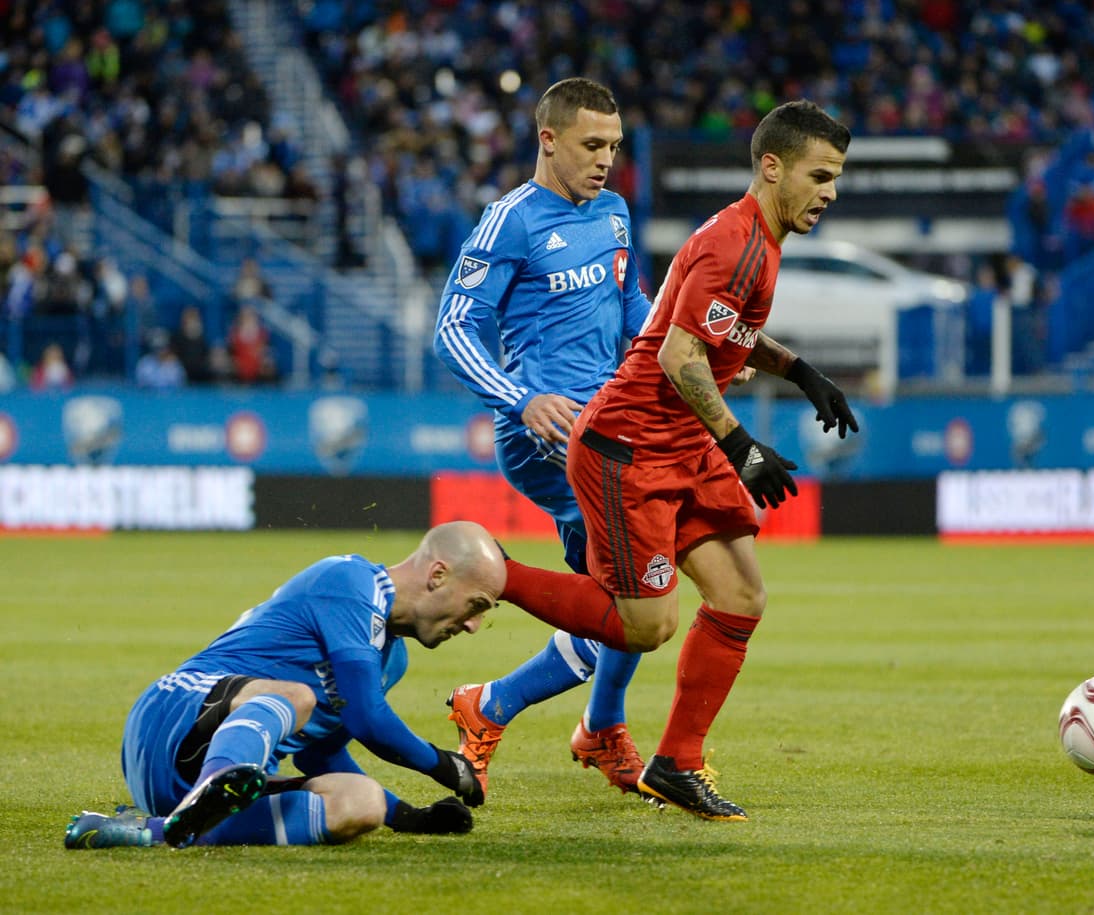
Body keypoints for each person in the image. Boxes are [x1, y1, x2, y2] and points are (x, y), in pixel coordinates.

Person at [498, 101, 857, 820]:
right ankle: (493, 573)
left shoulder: (757, 236)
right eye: (820, 175)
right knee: (645, 625)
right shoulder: (737, 244)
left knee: (741, 595)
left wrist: (799, 370)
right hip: (628, 449)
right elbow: (677, 353)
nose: (830, 192)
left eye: (837, 178)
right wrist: (740, 444)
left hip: (681, 445)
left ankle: (676, 763)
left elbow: (714, 328)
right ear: (772, 166)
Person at [432, 78, 652, 800]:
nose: (605, 161)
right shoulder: (511, 222)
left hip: (610, 423)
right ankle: (563, 718)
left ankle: (553, 717)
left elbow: (629, 310)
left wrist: (681, 351)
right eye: (592, 145)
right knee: (641, 584)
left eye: (614, 147)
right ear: (548, 140)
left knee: (631, 596)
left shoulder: (615, 213)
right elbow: (453, 329)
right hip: (549, 435)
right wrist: (520, 398)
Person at [64, 521, 506, 849]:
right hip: (177, 712)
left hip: (227, 768)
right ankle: (218, 784)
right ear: (438, 575)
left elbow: (320, 751)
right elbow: (366, 717)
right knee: (295, 696)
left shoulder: (392, 659)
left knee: (361, 805)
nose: (473, 625)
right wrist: (446, 767)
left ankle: (153, 831)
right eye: (477, 605)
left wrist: (408, 816)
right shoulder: (350, 581)